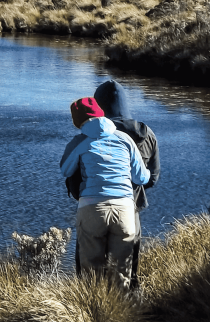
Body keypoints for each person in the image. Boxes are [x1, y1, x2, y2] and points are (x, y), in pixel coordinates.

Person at [59, 97, 149, 289]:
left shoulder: (79, 141)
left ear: (78, 121)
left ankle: (93, 312)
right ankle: (121, 313)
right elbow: (142, 178)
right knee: (122, 274)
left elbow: (66, 170)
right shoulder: (125, 139)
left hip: (92, 209)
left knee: (91, 274)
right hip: (124, 210)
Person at [93, 79, 160, 290]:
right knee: (129, 272)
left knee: (91, 272)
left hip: (94, 208)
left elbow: (76, 178)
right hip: (131, 210)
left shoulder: (93, 134)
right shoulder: (146, 134)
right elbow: (153, 178)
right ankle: (130, 311)